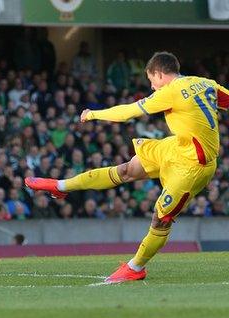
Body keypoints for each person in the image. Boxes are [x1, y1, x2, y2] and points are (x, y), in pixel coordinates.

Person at [26, 52, 229, 283]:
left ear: (160, 74)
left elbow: (128, 112)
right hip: (177, 147)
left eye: (152, 80)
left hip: (194, 166)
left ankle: (136, 267)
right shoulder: (204, 83)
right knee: (126, 170)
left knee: (161, 218)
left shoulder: (169, 91)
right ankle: (60, 186)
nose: (152, 87)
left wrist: (93, 114)